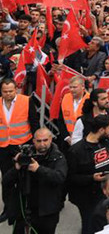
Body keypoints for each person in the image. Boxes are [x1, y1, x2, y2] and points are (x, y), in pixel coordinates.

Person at [2, 128, 67, 234]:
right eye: (39, 141)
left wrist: (38, 169)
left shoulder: (57, 157)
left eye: (45, 140)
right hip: (24, 209)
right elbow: (6, 182)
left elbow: (59, 177)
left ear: (51, 139)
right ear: (33, 141)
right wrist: (16, 167)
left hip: (47, 211)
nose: (42, 144)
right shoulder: (25, 155)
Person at [67, 114, 109, 234]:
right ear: (101, 130)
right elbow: (71, 178)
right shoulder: (76, 151)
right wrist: (91, 178)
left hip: (108, 194)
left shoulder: (107, 142)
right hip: (88, 198)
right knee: (90, 226)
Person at [0, 77, 38, 222]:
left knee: (25, 178)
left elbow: (33, 123)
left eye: (11, 91)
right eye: (5, 91)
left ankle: (26, 208)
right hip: (3, 147)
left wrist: (35, 145)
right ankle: (8, 210)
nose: (8, 94)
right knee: (7, 179)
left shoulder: (26, 100)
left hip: (22, 145)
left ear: (16, 89)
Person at [59, 75, 88, 145]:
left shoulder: (89, 99)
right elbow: (60, 120)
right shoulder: (66, 98)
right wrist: (67, 137)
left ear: (83, 87)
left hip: (84, 140)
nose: (72, 89)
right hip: (67, 140)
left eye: (74, 87)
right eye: (70, 87)